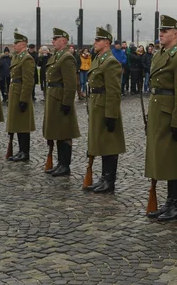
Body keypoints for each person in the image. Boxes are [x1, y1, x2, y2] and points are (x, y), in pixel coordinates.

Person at [145, 15, 177, 222]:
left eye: (165, 31)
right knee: (165, 159)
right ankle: (169, 202)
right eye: (160, 31)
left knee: (176, 160)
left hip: (171, 114)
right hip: (159, 111)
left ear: (176, 34)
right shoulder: (160, 55)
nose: (161, 34)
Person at [85, 27, 126, 193]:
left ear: (106, 43)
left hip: (105, 107)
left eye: (98, 40)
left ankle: (109, 180)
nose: (94, 43)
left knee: (109, 144)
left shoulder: (110, 62)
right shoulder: (98, 59)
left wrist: (111, 115)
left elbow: (114, 91)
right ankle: (103, 177)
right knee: (101, 142)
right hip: (97, 104)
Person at [43, 28, 81, 177]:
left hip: (60, 99)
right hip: (53, 97)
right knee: (57, 131)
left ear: (64, 41)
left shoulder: (66, 58)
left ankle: (65, 165)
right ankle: (60, 163)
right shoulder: (56, 57)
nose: (52, 41)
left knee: (64, 132)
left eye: (55, 38)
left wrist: (67, 102)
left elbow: (70, 83)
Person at [6, 31, 35, 161]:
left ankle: (25, 151)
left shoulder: (27, 58)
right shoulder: (17, 57)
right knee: (17, 122)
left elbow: (28, 81)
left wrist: (24, 99)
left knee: (23, 124)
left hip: (21, 93)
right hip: (15, 91)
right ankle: (20, 150)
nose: (14, 45)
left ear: (23, 44)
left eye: (16, 43)